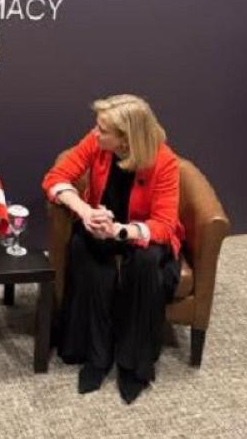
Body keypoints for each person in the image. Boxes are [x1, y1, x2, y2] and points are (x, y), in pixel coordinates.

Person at [41, 94, 183, 404]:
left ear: (125, 139)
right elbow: (55, 178)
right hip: (99, 223)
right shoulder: (96, 143)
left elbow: (163, 225)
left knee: (146, 263)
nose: (95, 133)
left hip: (140, 233)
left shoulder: (164, 162)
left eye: (102, 130)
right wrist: (85, 212)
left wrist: (119, 231)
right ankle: (96, 356)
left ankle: (133, 365)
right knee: (85, 249)